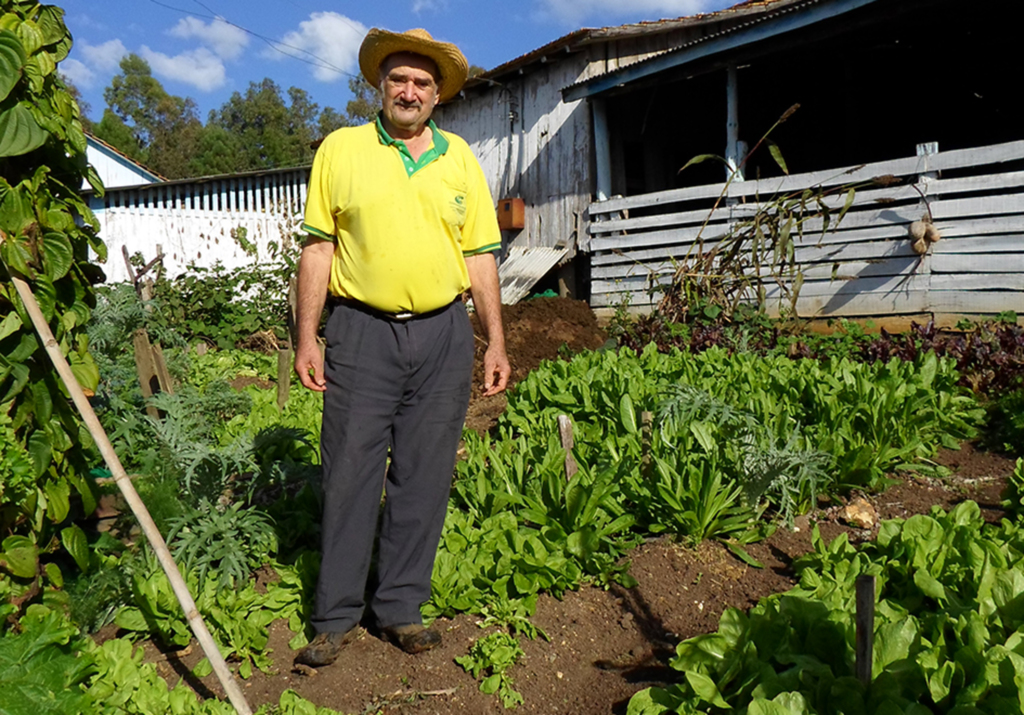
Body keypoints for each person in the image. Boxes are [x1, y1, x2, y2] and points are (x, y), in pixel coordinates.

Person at [292, 28, 510, 666]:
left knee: (425, 475)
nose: (409, 91)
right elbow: (318, 248)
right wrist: (307, 334)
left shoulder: (460, 158)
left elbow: (480, 257)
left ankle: (400, 608)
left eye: (421, 82)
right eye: (398, 80)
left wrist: (494, 339)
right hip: (361, 330)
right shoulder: (342, 149)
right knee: (350, 471)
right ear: (379, 86)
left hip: (443, 333)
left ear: (437, 95)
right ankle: (333, 616)